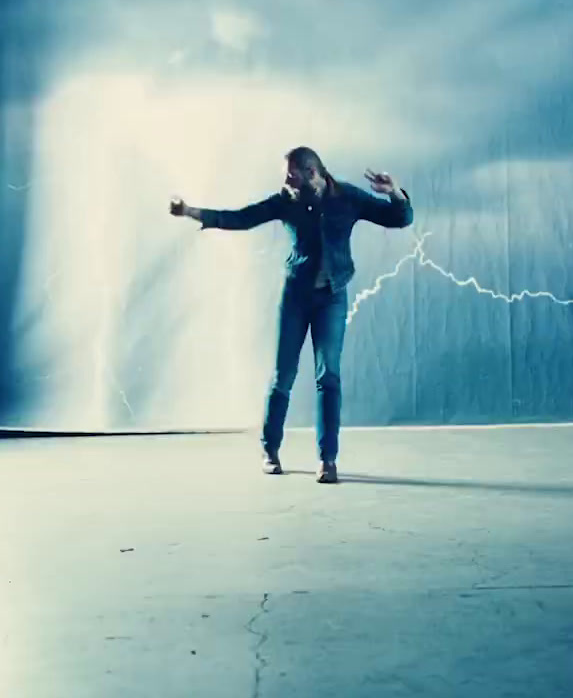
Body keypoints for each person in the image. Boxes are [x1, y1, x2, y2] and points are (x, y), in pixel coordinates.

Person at [170, 147, 413, 483]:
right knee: (282, 375)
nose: (286, 182)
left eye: (292, 176)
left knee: (328, 377)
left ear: (313, 173)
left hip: (332, 297)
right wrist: (190, 211)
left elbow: (400, 218)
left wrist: (395, 193)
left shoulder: (347, 198)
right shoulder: (286, 201)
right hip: (296, 299)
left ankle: (327, 460)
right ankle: (269, 450)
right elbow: (241, 217)